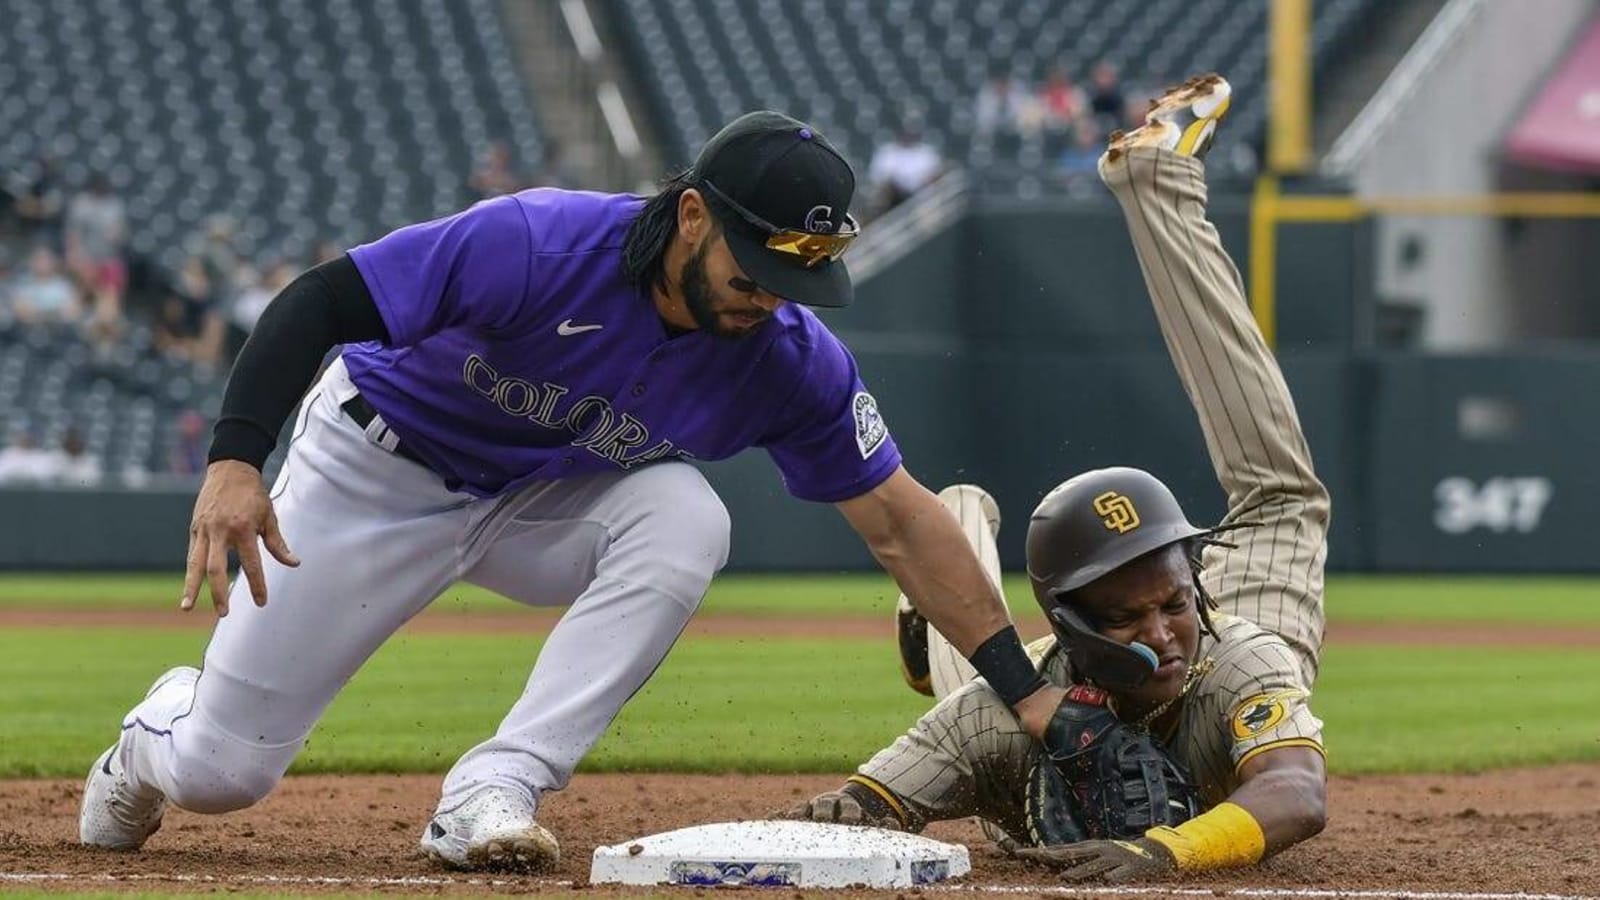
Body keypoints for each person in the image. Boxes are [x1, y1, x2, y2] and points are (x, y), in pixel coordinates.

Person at [79, 111, 1076, 872]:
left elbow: (904, 521)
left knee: (686, 516)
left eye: (793, 279)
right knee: (222, 776)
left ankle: (495, 787)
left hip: (537, 501)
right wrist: (236, 460)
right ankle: (157, 731)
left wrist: (1026, 697)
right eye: (757, 264)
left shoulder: (786, 357)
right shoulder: (538, 241)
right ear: (693, 215)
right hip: (373, 470)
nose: (769, 295)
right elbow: (322, 300)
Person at [783, 75, 1329, 883]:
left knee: (1281, 498)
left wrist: (1165, 852)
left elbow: (1298, 795)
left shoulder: (1234, 659)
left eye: (1175, 601)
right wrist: (831, 820)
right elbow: (855, 812)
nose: (1160, 634)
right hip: (1033, 695)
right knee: (989, 691)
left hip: (1224, 657)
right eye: (1126, 617)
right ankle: (949, 551)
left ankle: (1160, 182)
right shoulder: (996, 716)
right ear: (1067, 627)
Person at [866, 125, 944, 214]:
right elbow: (878, 177)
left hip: (921, 197)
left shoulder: (926, 153)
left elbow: (936, 176)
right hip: (892, 197)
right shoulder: (887, 151)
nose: (908, 136)